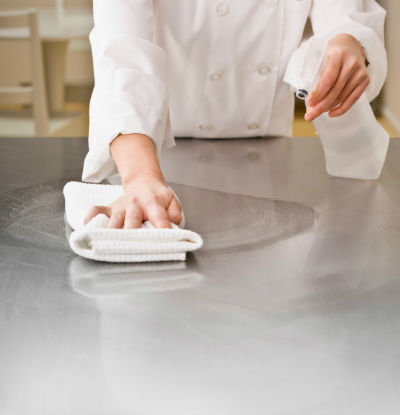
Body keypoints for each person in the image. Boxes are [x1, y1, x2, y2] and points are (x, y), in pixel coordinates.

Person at [82, 0, 387, 229]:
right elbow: (123, 57)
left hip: (271, 166)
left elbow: (344, 20)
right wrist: (140, 178)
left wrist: (350, 44)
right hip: (155, 155)